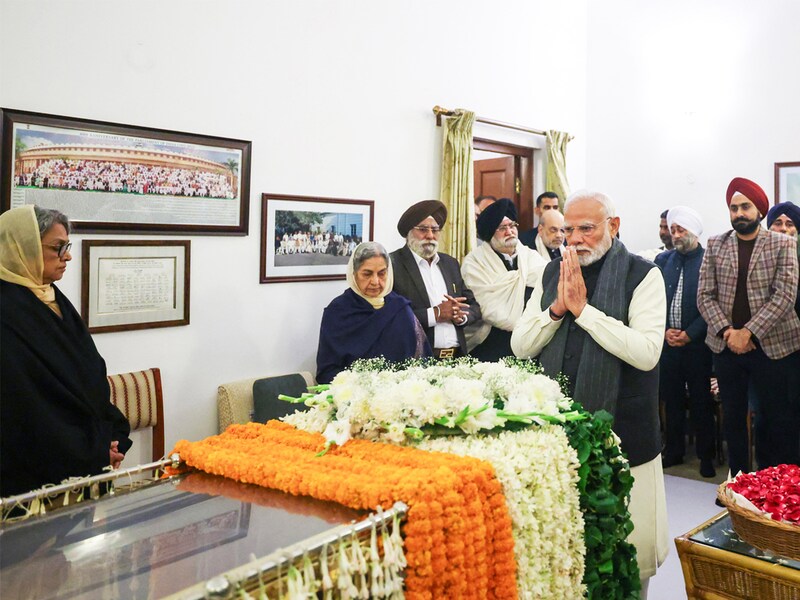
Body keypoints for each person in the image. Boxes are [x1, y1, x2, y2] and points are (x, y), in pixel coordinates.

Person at [511, 190, 668, 593]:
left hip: (626, 433)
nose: (576, 239)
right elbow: (522, 346)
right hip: (561, 436)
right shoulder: (551, 274)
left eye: (586, 228)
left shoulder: (643, 274)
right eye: (568, 231)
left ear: (613, 227)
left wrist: (585, 312)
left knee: (628, 556)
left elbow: (647, 353)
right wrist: (557, 311)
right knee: (569, 552)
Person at [0, 205, 132, 497]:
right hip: (33, 477)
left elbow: (87, 377)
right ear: (23, 248)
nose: (68, 256)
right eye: (58, 248)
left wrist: (110, 435)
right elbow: (26, 406)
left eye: (67, 247)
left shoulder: (50, 295)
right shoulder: (6, 309)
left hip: (84, 454)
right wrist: (93, 450)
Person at [697, 177, 800, 478]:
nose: (739, 213)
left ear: (759, 209)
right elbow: (704, 295)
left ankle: (771, 483)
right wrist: (729, 332)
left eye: (745, 206)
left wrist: (749, 332)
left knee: (772, 419)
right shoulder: (716, 243)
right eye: (733, 207)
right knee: (732, 418)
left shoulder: (782, 243)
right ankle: (738, 482)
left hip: (773, 346)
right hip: (726, 346)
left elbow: (784, 295)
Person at [655, 206, 716, 478]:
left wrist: (690, 333)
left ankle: (706, 456)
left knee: (702, 402)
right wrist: (666, 330)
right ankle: (674, 451)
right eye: (673, 229)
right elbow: (654, 300)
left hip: (698, 347)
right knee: (673, 400)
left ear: (695, 232)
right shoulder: (663, 260)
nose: (676, 235)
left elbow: (712, 305)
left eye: (681, 230)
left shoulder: (709, 260)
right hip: (668, 345)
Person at [315, 241, 431, 383]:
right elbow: (327, 371)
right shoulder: (338, 312)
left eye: (382, 274)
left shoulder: (400, 308)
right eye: (367, 274)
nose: (375, 281)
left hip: (400, 397)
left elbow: (422, 360)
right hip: (355, 399)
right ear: (354, 274)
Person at [391, 200, 481, 359]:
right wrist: (436, 314)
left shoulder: (450, 263)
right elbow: (390, 317)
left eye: (435, 230)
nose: (430, 236)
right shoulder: (393, 264)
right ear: (408, 233)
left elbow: (473, 306)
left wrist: (461, 316)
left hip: (457, 358)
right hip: (417, 360)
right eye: (423, 229)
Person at [461, 199, 547, 361]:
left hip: (532, 340)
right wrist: (525, 325)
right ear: (490, 232)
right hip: (491, 340)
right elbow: (487, 307)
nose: (510, 232)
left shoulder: (531, 257)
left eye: (512, 225)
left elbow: (549, 291)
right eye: (502, 228)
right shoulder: (475, 263)